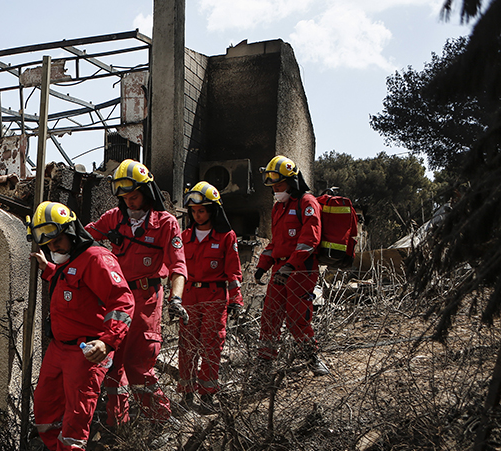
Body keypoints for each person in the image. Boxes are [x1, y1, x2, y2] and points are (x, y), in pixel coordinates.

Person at [29, 200, 135, 451]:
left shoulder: (97, 259)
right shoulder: (67, 261)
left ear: (72, 231)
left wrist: (107, 341)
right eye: (48, 242)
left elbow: (123, 300)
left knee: (76, 419)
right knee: (44, 410)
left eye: (57, 240)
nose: (54, 246)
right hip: (58, 349)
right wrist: (48, 267)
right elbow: (70, 291)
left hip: (86, 352)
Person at [85, 159, 187, 429]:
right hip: (116, 300)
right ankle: (118, 426)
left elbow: (178, 265)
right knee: (112, 364)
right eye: (125, 197)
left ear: (147, 192)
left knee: (138, 367)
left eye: (134, 196)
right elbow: (83, 239)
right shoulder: (113, 219)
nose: (130, 202)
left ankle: (163, 422)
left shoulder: (166, 223)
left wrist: (176, 299)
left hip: (146, 300)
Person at [253, 155, 331, 384]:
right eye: (273, 186)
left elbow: (310, 240)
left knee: (297, 317)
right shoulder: (278, 208)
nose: (276, 190)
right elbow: (274, 243)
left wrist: (290, 265)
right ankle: (264, 363)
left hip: (301, 269)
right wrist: (262, 266)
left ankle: (312, 357)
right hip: (281, 269)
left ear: (292, 181)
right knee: (270, 317)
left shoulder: (307, 203)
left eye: (279, 185)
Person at [176, 181, 243, 410]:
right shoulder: (183, 237)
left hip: (214, 297)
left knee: (211, 345)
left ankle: (207, 394)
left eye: (202, 210)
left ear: (213, 210)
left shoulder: (226, 237)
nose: (197, 214)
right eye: (193, 211)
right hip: (189, 296)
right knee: (187, 345)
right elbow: (176, 270)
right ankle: (186, 393)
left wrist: (236, 300)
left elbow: (233, 271)